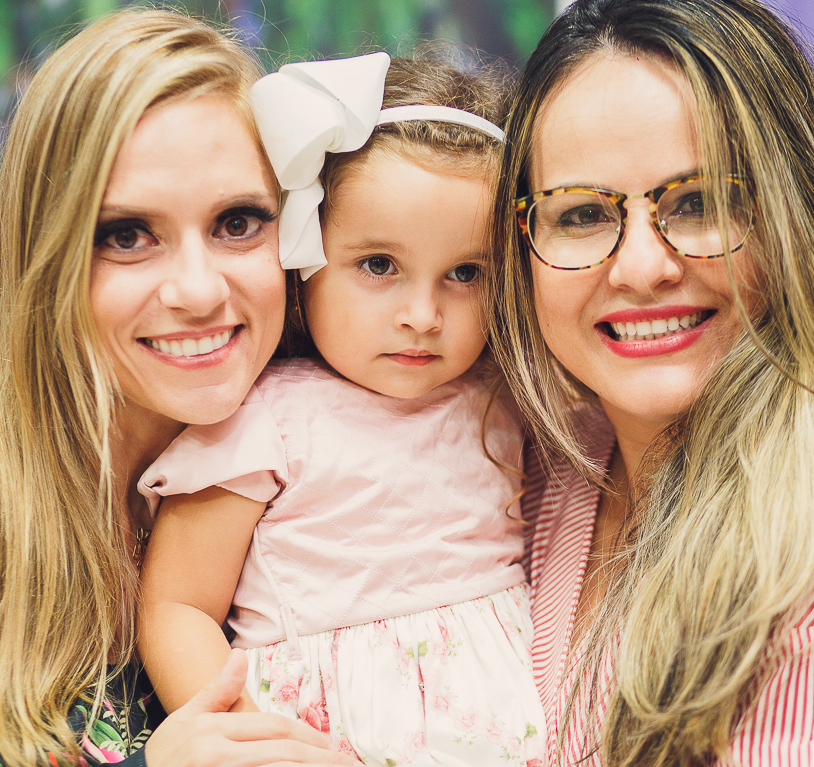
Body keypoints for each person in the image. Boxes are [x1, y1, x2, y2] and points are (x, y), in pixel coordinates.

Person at [0, 9, 354, 767]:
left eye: (238, 222)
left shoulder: (336, 479)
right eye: (127, 235)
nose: (198, 289)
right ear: (47, 253)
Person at [488, 0, 814, 766]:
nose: (642, 267)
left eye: (697, 202)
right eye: (582, 214)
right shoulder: (531, 478)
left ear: (795, 219)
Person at [136, 52, 546, 766]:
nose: (423, 315)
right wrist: (241, 731)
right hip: (319, 741)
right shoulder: (265, 419)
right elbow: (177, 607)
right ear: (306, 256)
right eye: (379, 265)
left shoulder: (503, 404)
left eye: (465, 273)